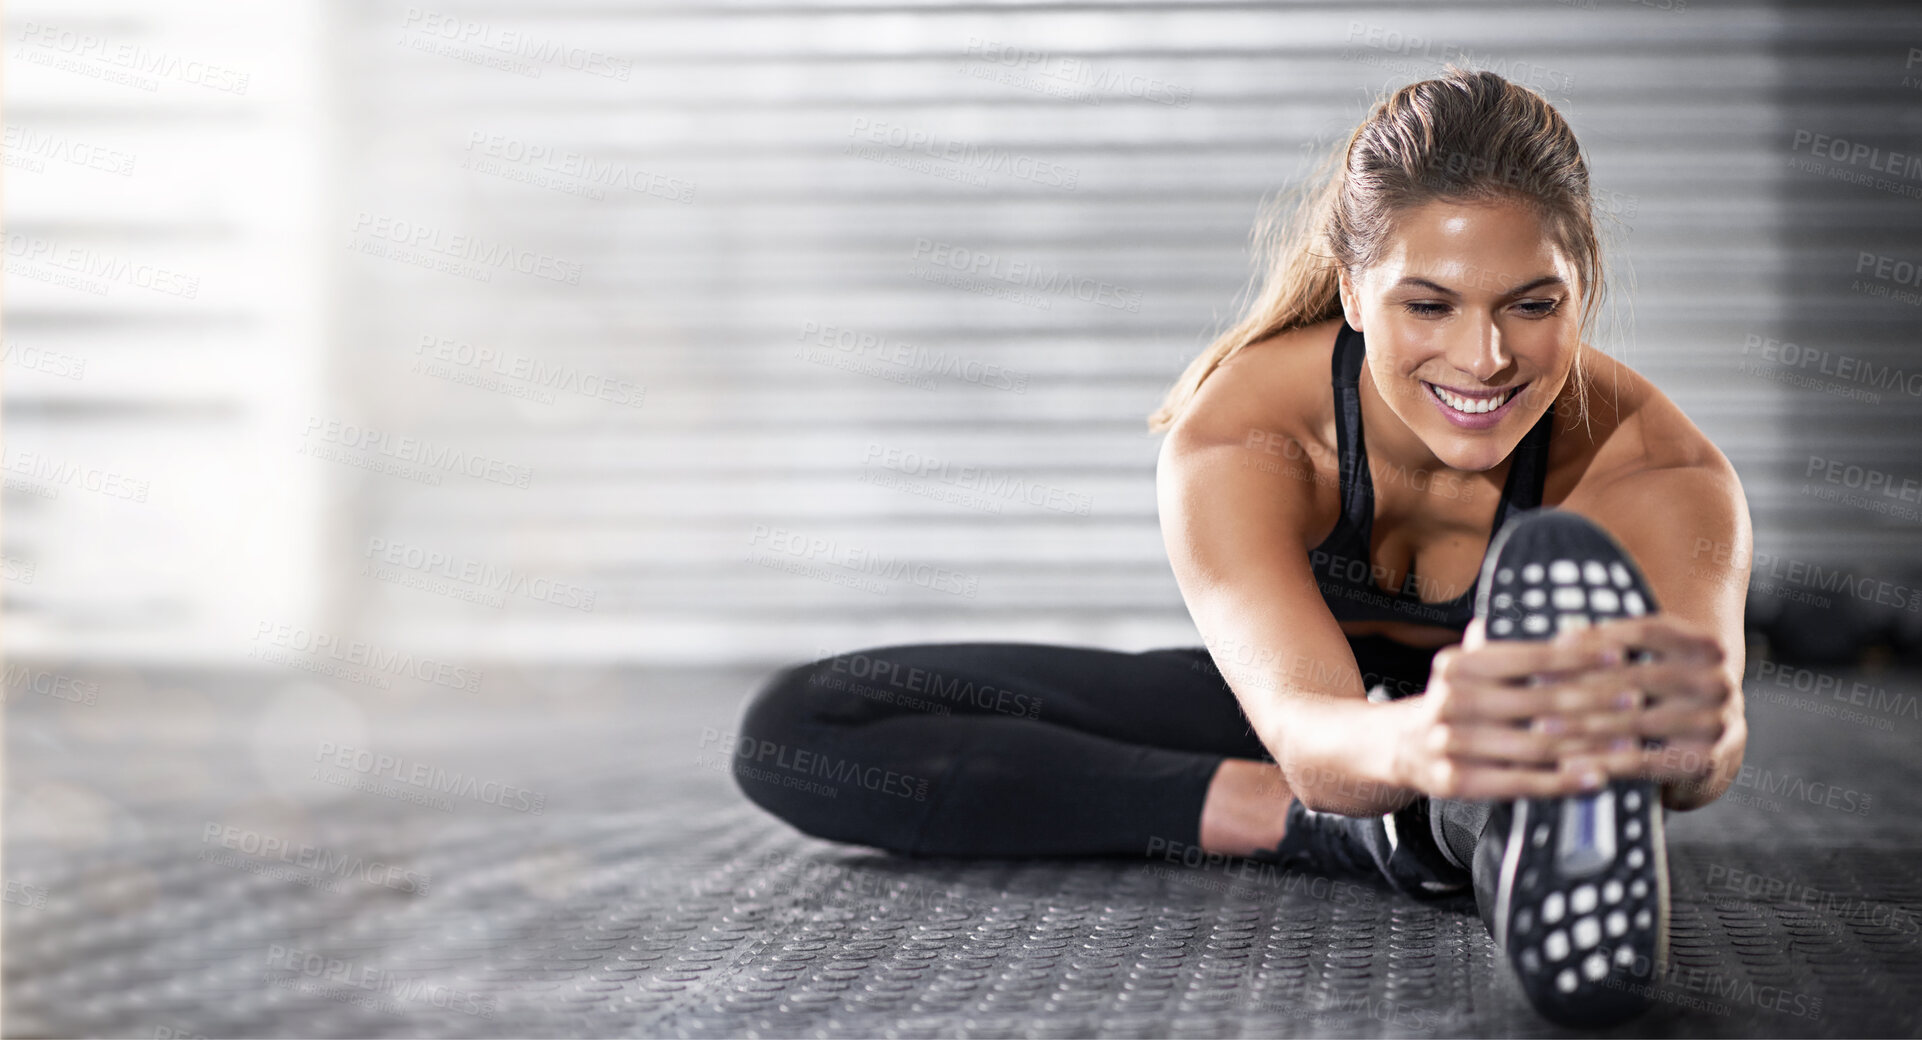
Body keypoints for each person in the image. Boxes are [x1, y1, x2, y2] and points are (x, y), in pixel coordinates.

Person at [731, 65, 1751, 1027]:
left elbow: (1707, 741)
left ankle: (1474, 808)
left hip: (1524, 713)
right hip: (1302, 708)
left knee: (1561, 754)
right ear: (1352, 291)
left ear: (1584, 287)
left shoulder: (1656, 469)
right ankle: (1385, 827)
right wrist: (1419, 742)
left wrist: (1680, 739)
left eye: (1532, 305)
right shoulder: (1246, 432)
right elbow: (1311, 734)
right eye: (1426, 304)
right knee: (807, 721)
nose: (1482, 358)